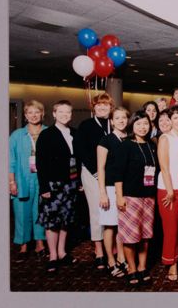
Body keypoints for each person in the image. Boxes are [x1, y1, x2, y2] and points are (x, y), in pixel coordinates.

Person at [114, 110, 158, 285]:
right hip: (130, 197)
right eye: (139, 123)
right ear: (132, 125)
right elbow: (117, 174)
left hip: (149, 197)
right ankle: (131, 268)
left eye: (146, 123)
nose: (142, 127)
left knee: (145, 236)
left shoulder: (151, 145)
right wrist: (119, 196)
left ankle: (142, 266)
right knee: (130, 236)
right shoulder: (125, 145)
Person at [36, 100, 79, 273]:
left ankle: (62, 252)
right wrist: (44, 187)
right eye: (61, 112)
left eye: (68, 112)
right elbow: (41, 163)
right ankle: (52, 255)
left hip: (71, 183)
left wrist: (79, 182)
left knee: (65, 220)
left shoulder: (74, 133)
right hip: (53, 185)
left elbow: (78, 160)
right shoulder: (47, 135)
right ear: (54, 114)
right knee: (52, 221)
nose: (64, 115)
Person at [74, 93, 114, 269]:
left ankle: (110, 247)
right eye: (99, 105)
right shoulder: (86, 125)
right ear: (94, 107)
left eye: (106, 105)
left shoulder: (114, 123)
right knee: (97, 210)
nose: (102, 108)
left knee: (112, 211)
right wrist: (97, 173)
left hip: (112, 174)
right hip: (92, 173)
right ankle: (98, 250)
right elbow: (81, 151)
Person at [9, 100, 47, 261]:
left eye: (36, 112)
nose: (33, 115)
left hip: (43, 178)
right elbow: (10, 160)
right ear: (25, 116)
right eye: (30, 112)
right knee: (21, 212)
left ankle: (40, 243)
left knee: (41, 211)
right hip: (22, 178)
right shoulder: (16, 135)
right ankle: (23, 244)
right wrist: (11, 182)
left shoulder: (49, 132)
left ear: (42, 114)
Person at [155, 106, 178, 281]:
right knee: (171, 228)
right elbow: (164, 167)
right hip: (169, 189)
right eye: (176, 118)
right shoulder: (165, 138)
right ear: (170, 120)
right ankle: (171, 263)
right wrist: (169, 190)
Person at [97, 106, 130, 278]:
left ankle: (121, 257)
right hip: (109, 188)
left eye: (124, 117)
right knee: (110, 225)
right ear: (112, 121)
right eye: (117, 118)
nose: (121, 121)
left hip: (126, 188)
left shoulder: (130, 139)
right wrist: (102, 192)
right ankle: (110, 259)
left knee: (122, 226)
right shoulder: (106, 140)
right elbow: (100, 168)